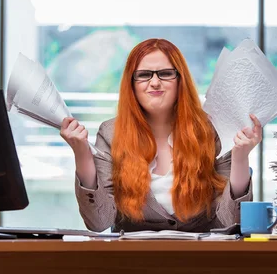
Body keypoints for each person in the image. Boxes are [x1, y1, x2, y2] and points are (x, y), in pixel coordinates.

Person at [60, 38, 262, 232]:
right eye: (144, 75)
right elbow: (98, 222)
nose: (155, 82)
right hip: (134, 262)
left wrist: (241, 157)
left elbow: (232, 220)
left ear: (180, 80)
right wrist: (82, 154)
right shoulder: (110, 133)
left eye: (165, 73)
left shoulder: (211, 130)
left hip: (200, 260)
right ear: (131, 83)